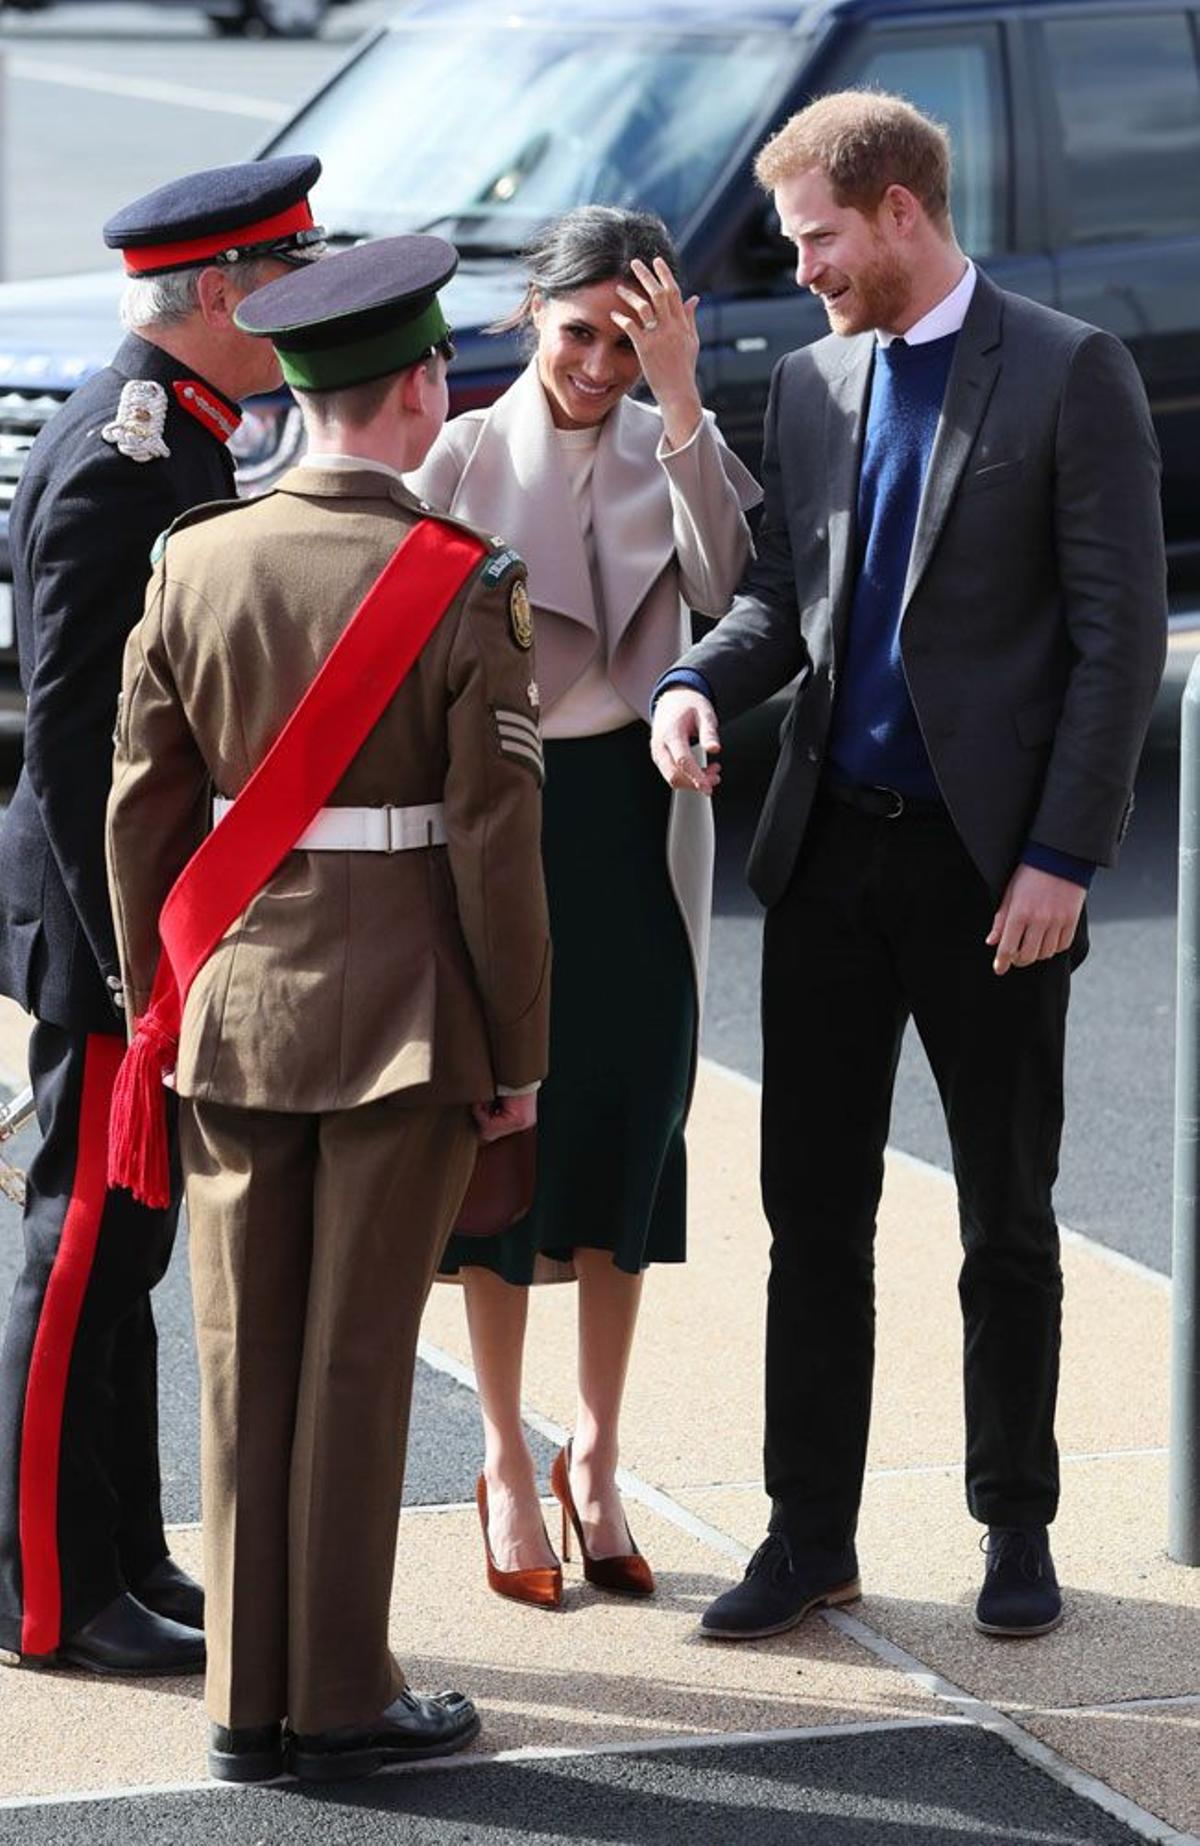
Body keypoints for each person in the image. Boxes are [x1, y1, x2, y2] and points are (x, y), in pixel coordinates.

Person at [651, 91, 1167, 1642]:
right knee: (814, 1217)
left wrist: (1065, 855)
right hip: (827, 862)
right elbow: (789, 604)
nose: (801, 265)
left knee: (1006, 1217)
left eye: (817, 234)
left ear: (897, 211)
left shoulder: (1073, 373)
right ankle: (810, 1533)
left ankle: (1017, 1524)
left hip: (992, 874)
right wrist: (694, 680)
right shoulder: (813, 381)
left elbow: (1117, 639)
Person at [105, 234, 550, 1784]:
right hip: (407, 1026)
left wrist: (166, 1004)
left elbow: (139, 822)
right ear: (423, 387)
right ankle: (340, 1695)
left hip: (230, 1011)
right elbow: (500, 854)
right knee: (355, 1359)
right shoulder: (464, 581)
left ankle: (244, 1699)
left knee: (240, 1349)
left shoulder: (194, 558)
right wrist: (519, 1060)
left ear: (300, 390)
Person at [0, 155, 324, 1676]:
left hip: (142, 925)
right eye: (284, 273)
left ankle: (119, 1548)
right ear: (216, 293)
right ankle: (39, 1588)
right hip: (107, 935)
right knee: (74, 1253)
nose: (297, 300)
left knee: (122, 1257)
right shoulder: (123, 458)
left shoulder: (178, 432)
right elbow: (74, 749)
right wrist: (142, 964)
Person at [408, 205, 759, 1608]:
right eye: (578, 334)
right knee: (510, 1141)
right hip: (500, 828)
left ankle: (599, 1452)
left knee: (628, 1135)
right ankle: (503, 1453)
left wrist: (680, 403)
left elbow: (743, 602)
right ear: (526, 318)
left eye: (632, 338)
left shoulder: (674, 441)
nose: (601, 362)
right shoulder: (457, 456)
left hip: (638, 827)